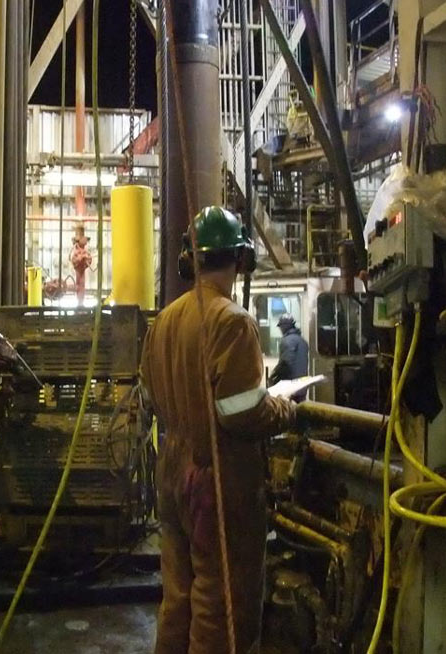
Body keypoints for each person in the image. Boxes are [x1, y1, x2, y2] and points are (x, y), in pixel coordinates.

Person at [140, 206, 298, 654]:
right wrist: (285, 409)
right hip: (217, 481)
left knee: (178, 598)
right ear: (239, 259)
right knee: (220, 605)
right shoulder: (232, 322)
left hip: (172, 473)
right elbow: (241, 414)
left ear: (192, 259)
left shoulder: (164, 322)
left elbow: (152, 397)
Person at [269, 314, 310, 402]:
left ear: (284, 327)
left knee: (287, 411)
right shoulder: (302, 341)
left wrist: (273, 376)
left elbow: (286, 362)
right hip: (302, 385)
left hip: (290, 386)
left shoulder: (287, 341)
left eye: (280, 327)